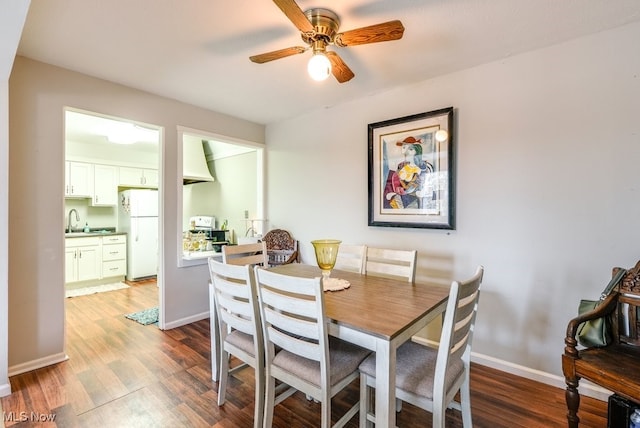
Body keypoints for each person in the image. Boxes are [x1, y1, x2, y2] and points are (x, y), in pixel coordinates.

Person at [383, 136, 434, 209]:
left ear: (416, 151)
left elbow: (425, 183)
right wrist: (397, 191)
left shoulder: (423, 167)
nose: (406, 151)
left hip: (415, 196)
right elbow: (396, 181)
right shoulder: (401, 166)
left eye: (410, 149)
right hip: (401, 194)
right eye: (404, 148)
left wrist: (421, 191)